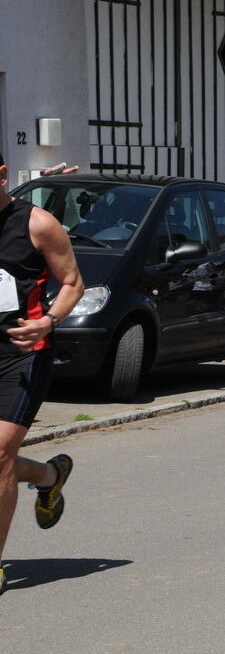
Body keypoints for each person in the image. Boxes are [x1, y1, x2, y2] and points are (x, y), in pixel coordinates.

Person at [0, 151, 84, 593]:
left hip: (23, 352)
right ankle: (50, 476)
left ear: (2, 176)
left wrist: (48, 320)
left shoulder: (37, 224)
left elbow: (73, 282)